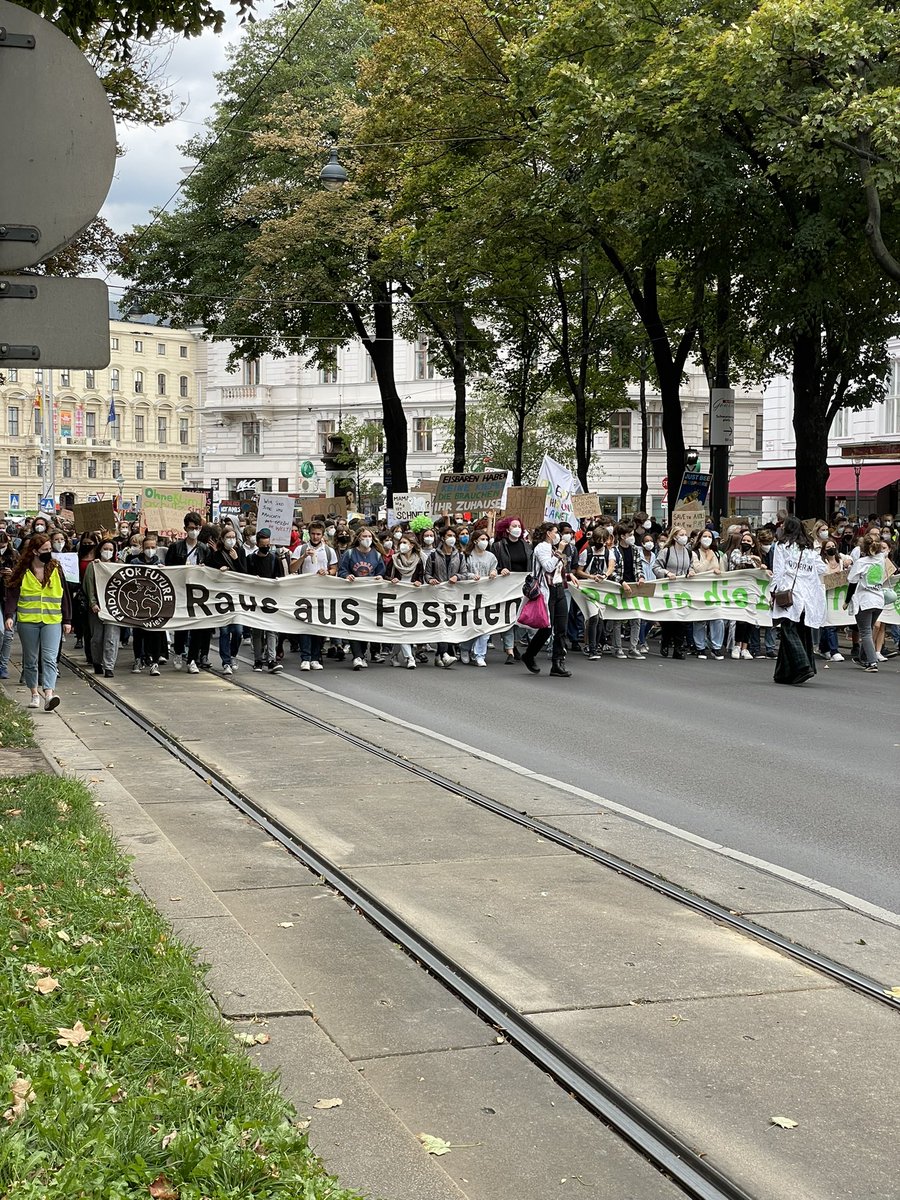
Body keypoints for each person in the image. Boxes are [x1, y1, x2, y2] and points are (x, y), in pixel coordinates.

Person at [4, 532, 72, 710]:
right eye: (45, 549)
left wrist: (67, 619)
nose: (49, 552)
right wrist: (9, 615)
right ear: (35, 551)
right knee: (31, 659)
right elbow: (12, 594)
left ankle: (49, 694)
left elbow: (64, 594)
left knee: (49, 658)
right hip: (28, 621)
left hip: (52, 620)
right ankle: (34, 694)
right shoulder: (23, 571)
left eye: (50, 549)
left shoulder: (56, 568)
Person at [770, 515, 829, 685]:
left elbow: (778, 570)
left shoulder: (782, 545)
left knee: (788, 630)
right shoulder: (809, 548)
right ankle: (784, 673)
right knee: (802, 631)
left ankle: (803, 665)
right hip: (807, 595)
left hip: (789, 591)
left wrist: (773, 590)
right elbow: (822, 568)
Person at [521, 522, 571, 678]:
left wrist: (568, 575)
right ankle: (529, 654)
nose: (558, 535)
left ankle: (558, 662)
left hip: (558, 588)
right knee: (547, 628)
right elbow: (548, 567)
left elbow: (557, 570)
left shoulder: (552, 548)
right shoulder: (542, 547)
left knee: (561, 628)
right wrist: (560, 551)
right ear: (549, 533)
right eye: (556, 532)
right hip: (547, 591)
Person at [291, 521, 337, 670]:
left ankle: (315, 658)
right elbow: (292, 568)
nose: (315, 537)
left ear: (322, 535)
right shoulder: (301, 548)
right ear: (309, 534)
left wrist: (327, 572)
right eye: (313, 534)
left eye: (318, 534)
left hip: (322, 592)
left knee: (318, 625)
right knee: (305, 625)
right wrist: (303, 556)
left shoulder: (329, 551)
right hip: (304, 592)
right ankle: (305, 657)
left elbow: (334, 569)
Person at [425, 526, 472, 668]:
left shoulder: (460, 556)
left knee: (449, 625)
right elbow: (427, 574)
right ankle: (445, 654)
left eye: (453, 536)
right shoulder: (433, 556)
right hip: (437, 596)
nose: (452, 538)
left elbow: (464, 573)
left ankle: (439, 655)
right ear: (443, 538)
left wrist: (457, 577)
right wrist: (430, 580)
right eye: (449, 535)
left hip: (453, 596)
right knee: (442, 624)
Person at [207, 523, 248, 675]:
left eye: (233, 537)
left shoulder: (240, 552)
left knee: (238, 631)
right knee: (224, 631)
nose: (231, 540)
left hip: (237, 597)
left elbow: (245, 573)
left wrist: (236, 560)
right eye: (228, 537)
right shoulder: (216, 555)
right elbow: (208, 572)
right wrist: (219, 571)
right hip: (222, 598)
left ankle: (233, 654)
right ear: (222, 539)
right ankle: (226, 662)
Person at [245, 528, 288, 672]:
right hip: (255, 599)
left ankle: (271, 659)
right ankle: (258, 660)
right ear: (257, 544)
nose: (266, 547)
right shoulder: (250, 559)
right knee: (257, 631)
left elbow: (280, 579)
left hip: (271, 599)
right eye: (263, 545)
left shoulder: (274, 559)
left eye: (267, 545)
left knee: (271, 630)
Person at [492, 516, 532, 664]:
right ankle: (509, 649)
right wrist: (500, 569)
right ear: (507, 529)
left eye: (519, 526)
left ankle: (514, 643)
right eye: (514, 526)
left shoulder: (526, 546)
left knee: (522, 617)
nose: (517, 529)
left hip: (523, 588)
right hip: (506, 587)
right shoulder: (498, 546)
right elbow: (493, 564)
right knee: (508, 617)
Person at [846, 529, 886, 673]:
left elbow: (852, 583)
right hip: (879, 600)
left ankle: (872, 662)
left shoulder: (861, 563)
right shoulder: (881, 559)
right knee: (868, 629)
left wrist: (847, 600)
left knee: (865, 632)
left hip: (865, 600)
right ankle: (864, 658)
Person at [652, 526, 695, 658]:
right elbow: (656, 567)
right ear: (675, 537)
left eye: (685, 534)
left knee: (681, 619)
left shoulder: (689, 552)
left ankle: (678, 648)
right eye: (681, 534)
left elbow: (691, 566)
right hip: (668, 589)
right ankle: (665, 642)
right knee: (669, 619)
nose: (684, 537)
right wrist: (666, 573)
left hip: (682, 590)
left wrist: (691, 571)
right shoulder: (666, 551)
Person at [130, 535, 169, 675]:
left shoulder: (160, 562)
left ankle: (155, 663)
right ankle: (138, 659)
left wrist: (164, 570)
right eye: (147, 547)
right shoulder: (134, 562)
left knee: (156, 633)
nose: (150, 550)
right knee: (138, 633)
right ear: (142, 548)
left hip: (154, 604)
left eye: (153, 547)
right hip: (138, 604)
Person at [386, 530, 425, 669]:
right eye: (401, 542)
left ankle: (394, 655)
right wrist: (392, 580)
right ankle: (410, 658)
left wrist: (419, 582)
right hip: (397, 597)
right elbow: (386, 575)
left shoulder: (418, 560)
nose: (402, 545)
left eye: (405, 542)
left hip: (412, 599)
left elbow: (421, 577)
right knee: (401, 629)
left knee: (405, 629)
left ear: (412, 545)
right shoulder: (394, 559)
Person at [83, 538, 121, 678]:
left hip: (114, 608)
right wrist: (93, 603)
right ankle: (97, 662)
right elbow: (89, 585)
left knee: (112, 637)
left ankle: (109, 666)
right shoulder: (93, 566)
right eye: (105, 549)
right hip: (97, 608)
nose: (108, 552)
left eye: (111, 550)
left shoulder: (118, 566)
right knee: (97, 638)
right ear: (99, 550)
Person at [461, 530, 498, 666]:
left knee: (485, 626)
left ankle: (480, 655)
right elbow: (462, 572)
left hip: (486, 594)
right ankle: (465, 648)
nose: (485, 542)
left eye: (486, 539)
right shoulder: (466, 556)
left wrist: (494, 572)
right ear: (475, 541)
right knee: (471, 625)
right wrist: (471, 576)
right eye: (482, 539)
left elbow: (494, 569)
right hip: (470, 595)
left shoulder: (491, 557)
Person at [728, 531, 764, 659]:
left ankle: (745, 647)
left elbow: (759, 572)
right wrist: (752, 558)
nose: (745, 543)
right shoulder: (736, 552)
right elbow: (737, 560)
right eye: (744, 540)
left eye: (748, 541)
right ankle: (737, 646)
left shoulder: (757, 557)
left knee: (750, 619)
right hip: (737, 590)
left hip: (751, 591)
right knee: (740, 619)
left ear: (753, 544)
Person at [691, 530, 725, 660]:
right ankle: (700, 647)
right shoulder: (694, 553)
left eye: (709, 537)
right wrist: (708, 559)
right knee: (700, 619)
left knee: (718, 618)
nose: (707, 539)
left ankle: (716, 647)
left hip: (714, 591)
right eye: (704, 536)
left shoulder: (717, 554)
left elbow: (723, 572)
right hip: (699, 591)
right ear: (699, 539)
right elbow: (698, 569)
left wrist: (718, 571)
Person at [0, 529, 18, 680]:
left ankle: (3, 665)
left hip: (10, 598)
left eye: (3, 545)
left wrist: (12, 574)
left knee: (8, 634)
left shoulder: (14, 556)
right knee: (1, 632)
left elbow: (22, 576)